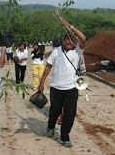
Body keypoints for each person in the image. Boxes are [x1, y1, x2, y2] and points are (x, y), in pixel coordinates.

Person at [38, 19, 86, 148]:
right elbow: (48, 67)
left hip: (71, 88)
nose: (69, 41)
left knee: (70, 113)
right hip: (56, 88)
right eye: (67, 39)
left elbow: (83, 37)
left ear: (75, 42)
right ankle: (50, 126)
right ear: (63, 40)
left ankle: (65, 136)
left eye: (72, 39)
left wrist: (69, 26)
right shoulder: (56, 51)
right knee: (55, 110)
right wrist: (41, 83)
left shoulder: (78, 51)